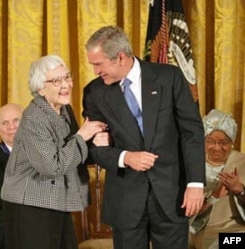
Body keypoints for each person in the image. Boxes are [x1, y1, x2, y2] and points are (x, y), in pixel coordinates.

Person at [82, 25, 205, 249]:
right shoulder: (94, 93)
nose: (95, 71)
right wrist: (125, 157)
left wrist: (195, 184)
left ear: (120, 57)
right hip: (126, 200)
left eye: (98, 64)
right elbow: (95, 149)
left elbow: (192, 132)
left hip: (171, 195)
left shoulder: (169, 78)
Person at [1, 55, 109, 249]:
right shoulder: (34, 117)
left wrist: (95, 143)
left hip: (57, 199)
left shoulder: (64, 109)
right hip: (30, 204)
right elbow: (52, 166)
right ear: (40, 88)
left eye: (67, 77)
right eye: (56, 81)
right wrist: (82, 136)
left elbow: (72, 150)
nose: (65, 85)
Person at [189, 109, 245, 249]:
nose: (217, 148)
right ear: (204, 141)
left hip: (235, 229)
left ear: (232, 142)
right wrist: (214, 196)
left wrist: (240, 191)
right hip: (197, 230)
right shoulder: (192, 164)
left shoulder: (242, 162)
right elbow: (182, 212)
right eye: (211, 141)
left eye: (223, 142)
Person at [0, 103, 23, 249]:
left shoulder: (43, 151)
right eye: (5, 123)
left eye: (16, 120)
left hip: (42, 222)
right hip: (6, 225)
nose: (11, 127)